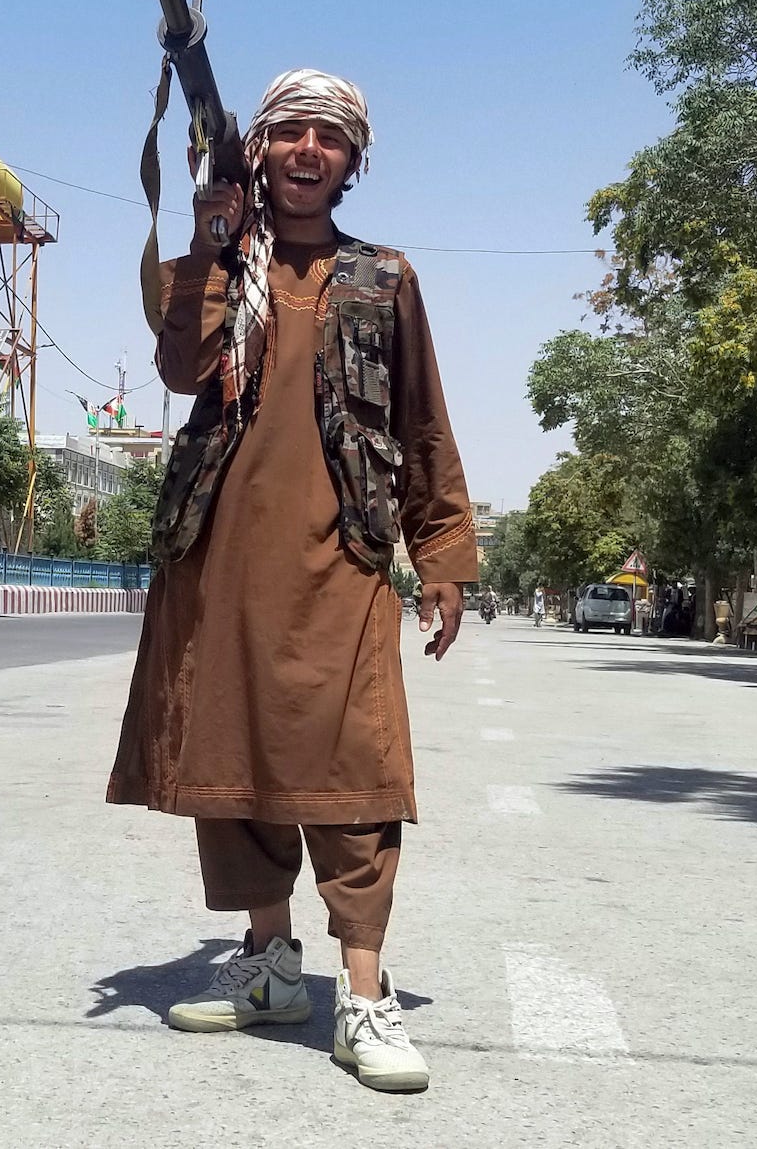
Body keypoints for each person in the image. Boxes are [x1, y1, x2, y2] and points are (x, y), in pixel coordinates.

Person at [111, 69, 477, 1094]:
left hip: (343, 560)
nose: (309, 149)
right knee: (233, 765)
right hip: (218, 561)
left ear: (353, 161)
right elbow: (182, 369)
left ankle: (363, 995)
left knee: (354, 771)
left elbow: (421, 424)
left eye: (330, 136)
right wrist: (208, 237)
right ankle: (269, 964)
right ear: (258, 151)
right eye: (290, 134)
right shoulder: (222, 263)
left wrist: (442, 552)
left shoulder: (383, 277)